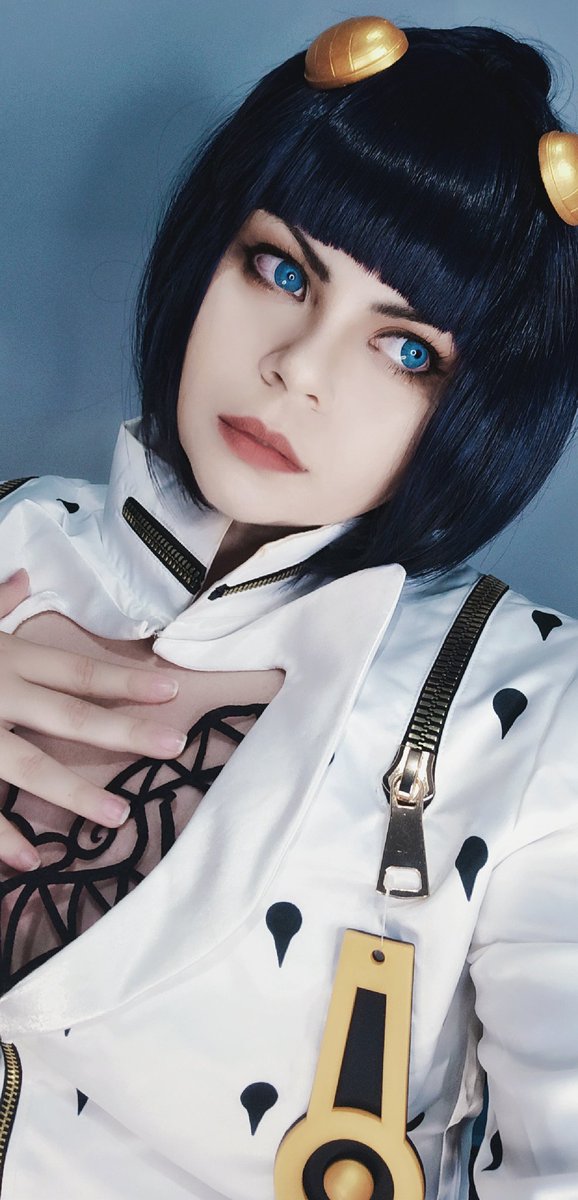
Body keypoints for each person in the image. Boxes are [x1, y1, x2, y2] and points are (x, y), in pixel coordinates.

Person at [0, 14, 577, 1199]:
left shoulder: (527, 720)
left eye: (405, 350)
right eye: (281, 270)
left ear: (486, 408)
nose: (298, 368)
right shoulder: (15, 531)